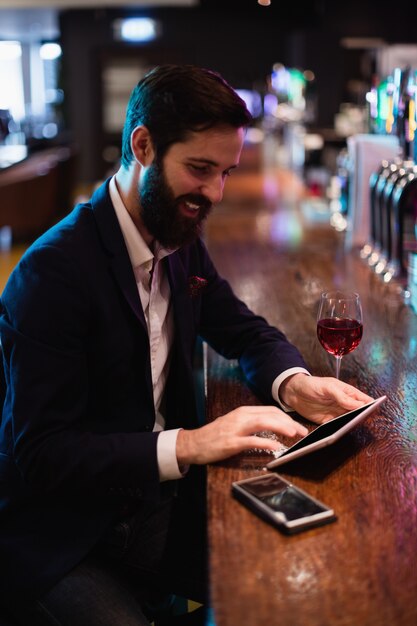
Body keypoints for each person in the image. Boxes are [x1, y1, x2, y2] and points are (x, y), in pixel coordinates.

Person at [0, 64, 372, 626]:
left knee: (299, 586)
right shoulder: (52, 273)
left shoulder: (176, 235)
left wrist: (292, 383)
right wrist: (192, 444)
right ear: (143, 145)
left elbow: (242, 330)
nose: (214, 193)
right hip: (61, 534)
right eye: (200, 169)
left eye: (226, 172)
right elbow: (43, 454)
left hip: (150, 505)